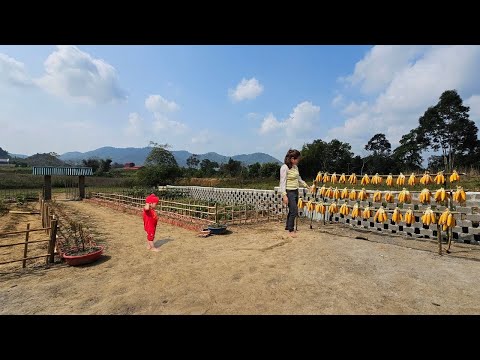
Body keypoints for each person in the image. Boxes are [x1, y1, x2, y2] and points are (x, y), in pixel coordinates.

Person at [279, 149, 309, 237]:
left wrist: (306, 185)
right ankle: (291, 230)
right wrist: (284, 195)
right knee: (294, 211)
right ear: (292, 159)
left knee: (292, 210)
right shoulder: (284, 168)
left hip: (295, 190)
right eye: (297, 159)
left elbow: (298, 178)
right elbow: (282, 182)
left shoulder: (295, 167)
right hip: (289, 192)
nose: (298, 160)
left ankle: (287, 226)